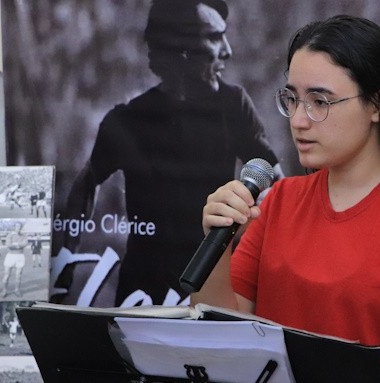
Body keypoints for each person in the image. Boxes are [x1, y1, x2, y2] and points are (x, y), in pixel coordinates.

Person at [191, 15, 380, 383]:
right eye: (292, 99)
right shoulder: (279, 201)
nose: (298, 119)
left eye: (320, 102)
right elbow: (218, 342)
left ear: (379, 104)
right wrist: (218, 244)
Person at [65, 0, 282, 307]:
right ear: (181, 50)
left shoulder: (234, 105)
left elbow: (275, 180)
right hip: (143, 294)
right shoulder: (127, 119)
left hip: (213, 283)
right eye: (215, 37)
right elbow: (86, 184)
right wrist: (65, 257)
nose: (228, 51)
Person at [2, 223, 28, 297]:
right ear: (14, 227)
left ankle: (17, 290)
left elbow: (25, 244)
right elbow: (8, 245)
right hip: (10, 256)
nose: (18, 228)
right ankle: (4, 291)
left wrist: (15, 244)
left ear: (21, 227)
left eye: (20, 226)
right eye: (17, 226)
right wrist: (19, 245)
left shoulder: (24, 235)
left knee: (18, 275)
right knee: (6, 275)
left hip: (20, 256)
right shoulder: (10, 235)